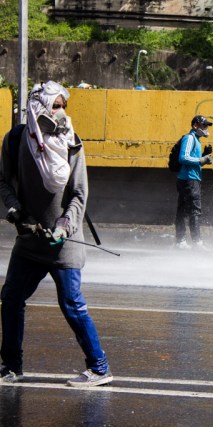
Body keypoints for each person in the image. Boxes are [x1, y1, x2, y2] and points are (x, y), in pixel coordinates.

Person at [0, 81, 112, 386]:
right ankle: (11, 365)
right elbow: (3, 184)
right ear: (38, 109)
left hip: (64, 244)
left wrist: (64, 225)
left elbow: (79, 194)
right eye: (56, 106)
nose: (61, 113)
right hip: (29, 242)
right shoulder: (15, 140)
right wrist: (15, 213)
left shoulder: (72, 142)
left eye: (63, 107)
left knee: (72, 304)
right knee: (10, 298)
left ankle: (100, 368)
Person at [174, 115, 213, 249]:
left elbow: (192, 161)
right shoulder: (190, 138)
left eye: (206, 126)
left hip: (189, 178)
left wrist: (203, 156)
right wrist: (200, 160)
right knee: (194, 210)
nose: (206, 128)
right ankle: (196, 243)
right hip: (189, 180)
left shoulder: (196, 140)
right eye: (204, 125)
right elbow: (183, 158)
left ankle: (181, 241)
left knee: (184, 210)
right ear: (195, 126)